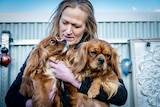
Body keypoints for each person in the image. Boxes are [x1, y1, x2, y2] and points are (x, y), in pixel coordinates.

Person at [5, 0, 128, 107]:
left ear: (86, 27)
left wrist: (73, 80)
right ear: (58, 20)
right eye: (65, 22)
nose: (68, 31)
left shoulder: (91, 53)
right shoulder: (42, 51)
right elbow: (10, 97)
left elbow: (121, 97)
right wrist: (32, 103)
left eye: (76, 26)